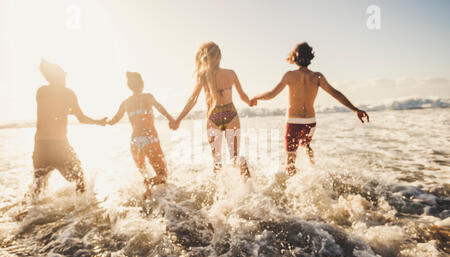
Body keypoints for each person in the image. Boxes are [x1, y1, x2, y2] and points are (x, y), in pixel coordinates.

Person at [252, 42, 370, 176]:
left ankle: (293, 190)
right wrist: (355, 109)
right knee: (306, 145)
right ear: (310, 57)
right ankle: (314, 171)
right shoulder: (317, 76)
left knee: (290, 160)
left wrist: (256, 97)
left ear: (294, 57)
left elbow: (272, 94)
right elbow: (335, 93)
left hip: (293, 122)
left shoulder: (289, 75)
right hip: (310, 121)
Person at [170, 42, 256, 178]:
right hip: (231, 114)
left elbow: (192, 99)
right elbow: (243, 95)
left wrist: (178, 120)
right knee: (235, 157)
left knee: (217, 162)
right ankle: (248, 189)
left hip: (213, 116)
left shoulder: (203, 75)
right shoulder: (230, 73)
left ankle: (219, 195)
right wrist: (250, 102)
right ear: (220, 56)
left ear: (205, 57)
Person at [33, 60, 107, 196]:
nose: (66, 79)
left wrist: (65, 110)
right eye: (64, 76)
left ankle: (25, 213)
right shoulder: (68, 93)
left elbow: (51, 111)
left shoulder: (41, 92)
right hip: (59, 145)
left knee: (38, 185)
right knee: (80, 179)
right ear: (58, 76)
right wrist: (98, 122)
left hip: (40, 146)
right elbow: (82, 118)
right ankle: (82, 209)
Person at [108, 72, 175, 199]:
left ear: (129, 87)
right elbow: (160, 108)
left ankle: (147, 195)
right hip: (149, 139)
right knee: (162, 175)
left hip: (135, 142)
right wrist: (172, 120)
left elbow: (113, 121)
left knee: (144, 172)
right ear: (142, 84)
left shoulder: (125, 103)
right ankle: (153, 188)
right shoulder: (148, 97)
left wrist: (102, 121)